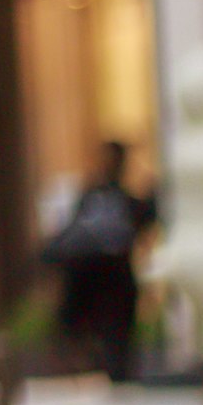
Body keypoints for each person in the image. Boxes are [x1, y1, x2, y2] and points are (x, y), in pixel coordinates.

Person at [48, 138, 156, 380]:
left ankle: (110, 373)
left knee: (115, 343)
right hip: (95, 276)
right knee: (102, 340)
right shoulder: (95, 197)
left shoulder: (117, 200)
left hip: (111, 278)